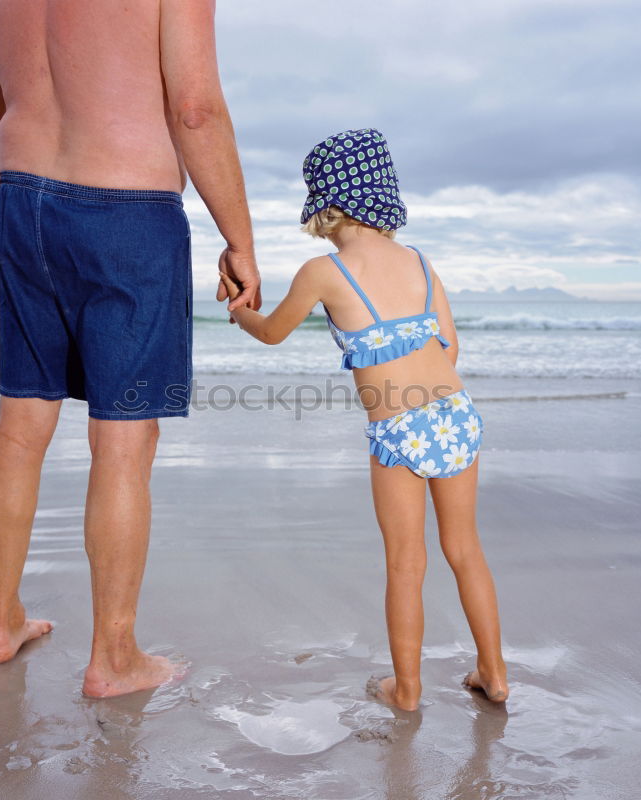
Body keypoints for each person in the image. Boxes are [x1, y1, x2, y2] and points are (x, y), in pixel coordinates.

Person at [0, 0, 261, 697]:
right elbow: (194, 108)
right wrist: (239, 239)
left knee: (20, 424)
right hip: (128, 210)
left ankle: (4, 624)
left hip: (23, 203)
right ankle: (114, 657)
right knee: (124, 438)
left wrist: (32, 192)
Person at [219, 128, 509, 711]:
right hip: (454, 413)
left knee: (406, 561)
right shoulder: (421, 262)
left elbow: (273, 332)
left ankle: (405, 690)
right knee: (465, 549)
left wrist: (238, 308)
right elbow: (449, 346)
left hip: (397, 429)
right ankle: (494, 674)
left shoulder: (323, 272)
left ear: (325, 205)